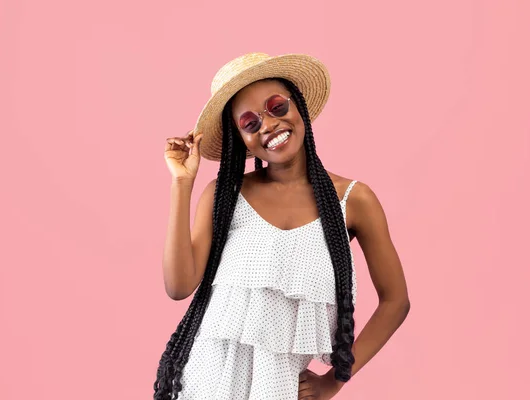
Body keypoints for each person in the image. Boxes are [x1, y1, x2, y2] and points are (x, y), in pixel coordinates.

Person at [154, 52, 410, 400]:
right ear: (240, 139)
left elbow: (396, 301)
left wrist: (334, 381)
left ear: (298, 107)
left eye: (276, 106)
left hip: (281, 389)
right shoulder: (225, 196)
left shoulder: (353, 200)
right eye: (249, 122)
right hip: (204, 382)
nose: (269, 124)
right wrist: (182, 183)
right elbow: (178, 286)